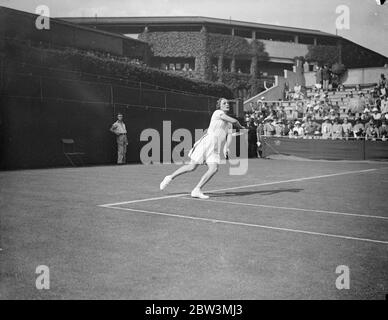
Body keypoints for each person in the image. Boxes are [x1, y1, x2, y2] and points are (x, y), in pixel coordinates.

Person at [159, 98, 246, 199]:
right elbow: (235, 121)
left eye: (228, 103)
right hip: (207, 143)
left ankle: (197, 189)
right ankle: (169, 177)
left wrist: (226, 147)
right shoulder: (218, 113)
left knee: (214, 169)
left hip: (215, 148)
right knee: (191, 167)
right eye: (224, 103)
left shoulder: (229, 124)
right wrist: (242, 127)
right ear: (220, 106)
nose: (227, 104)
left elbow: (229, 135)